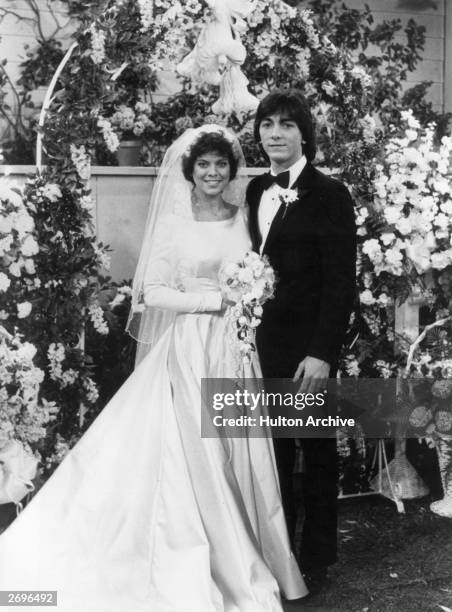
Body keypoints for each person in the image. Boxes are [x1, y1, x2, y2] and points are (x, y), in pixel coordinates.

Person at [0, 125, 307, 611]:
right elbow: (153, 294)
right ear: (190, 170)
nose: (212, 172)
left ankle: (256, 548)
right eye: (203, 164)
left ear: (231, 170)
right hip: (189, 348)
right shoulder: (172, 223)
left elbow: (253, 272)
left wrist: (251, 295)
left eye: (220, 164)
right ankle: (216, 555)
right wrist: (213, 300)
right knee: (201, 454)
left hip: (237, 349)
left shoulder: (243, 215)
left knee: (240, 451)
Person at [246, 89, 357, 595]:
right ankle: (280, 556)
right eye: (267, 125)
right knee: (271, 456)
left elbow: (340, 284)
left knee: (315, 456)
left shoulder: (331, 194)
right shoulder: (253, 192)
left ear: (303, 133)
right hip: (262, 346)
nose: (275, 134)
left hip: (309, 349)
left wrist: (322, 354)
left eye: (286, 125)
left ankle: (317, 560)